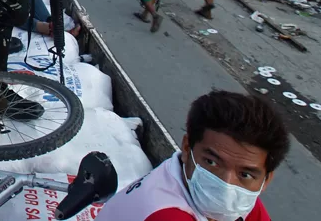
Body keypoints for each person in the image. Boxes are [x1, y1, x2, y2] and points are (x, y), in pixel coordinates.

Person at [96, 90, 288, 221]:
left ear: (266, 180)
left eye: (245, 174)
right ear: (187, 148)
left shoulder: (243, 201)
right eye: (212, 162)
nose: (226, 185)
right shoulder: (166, 214)